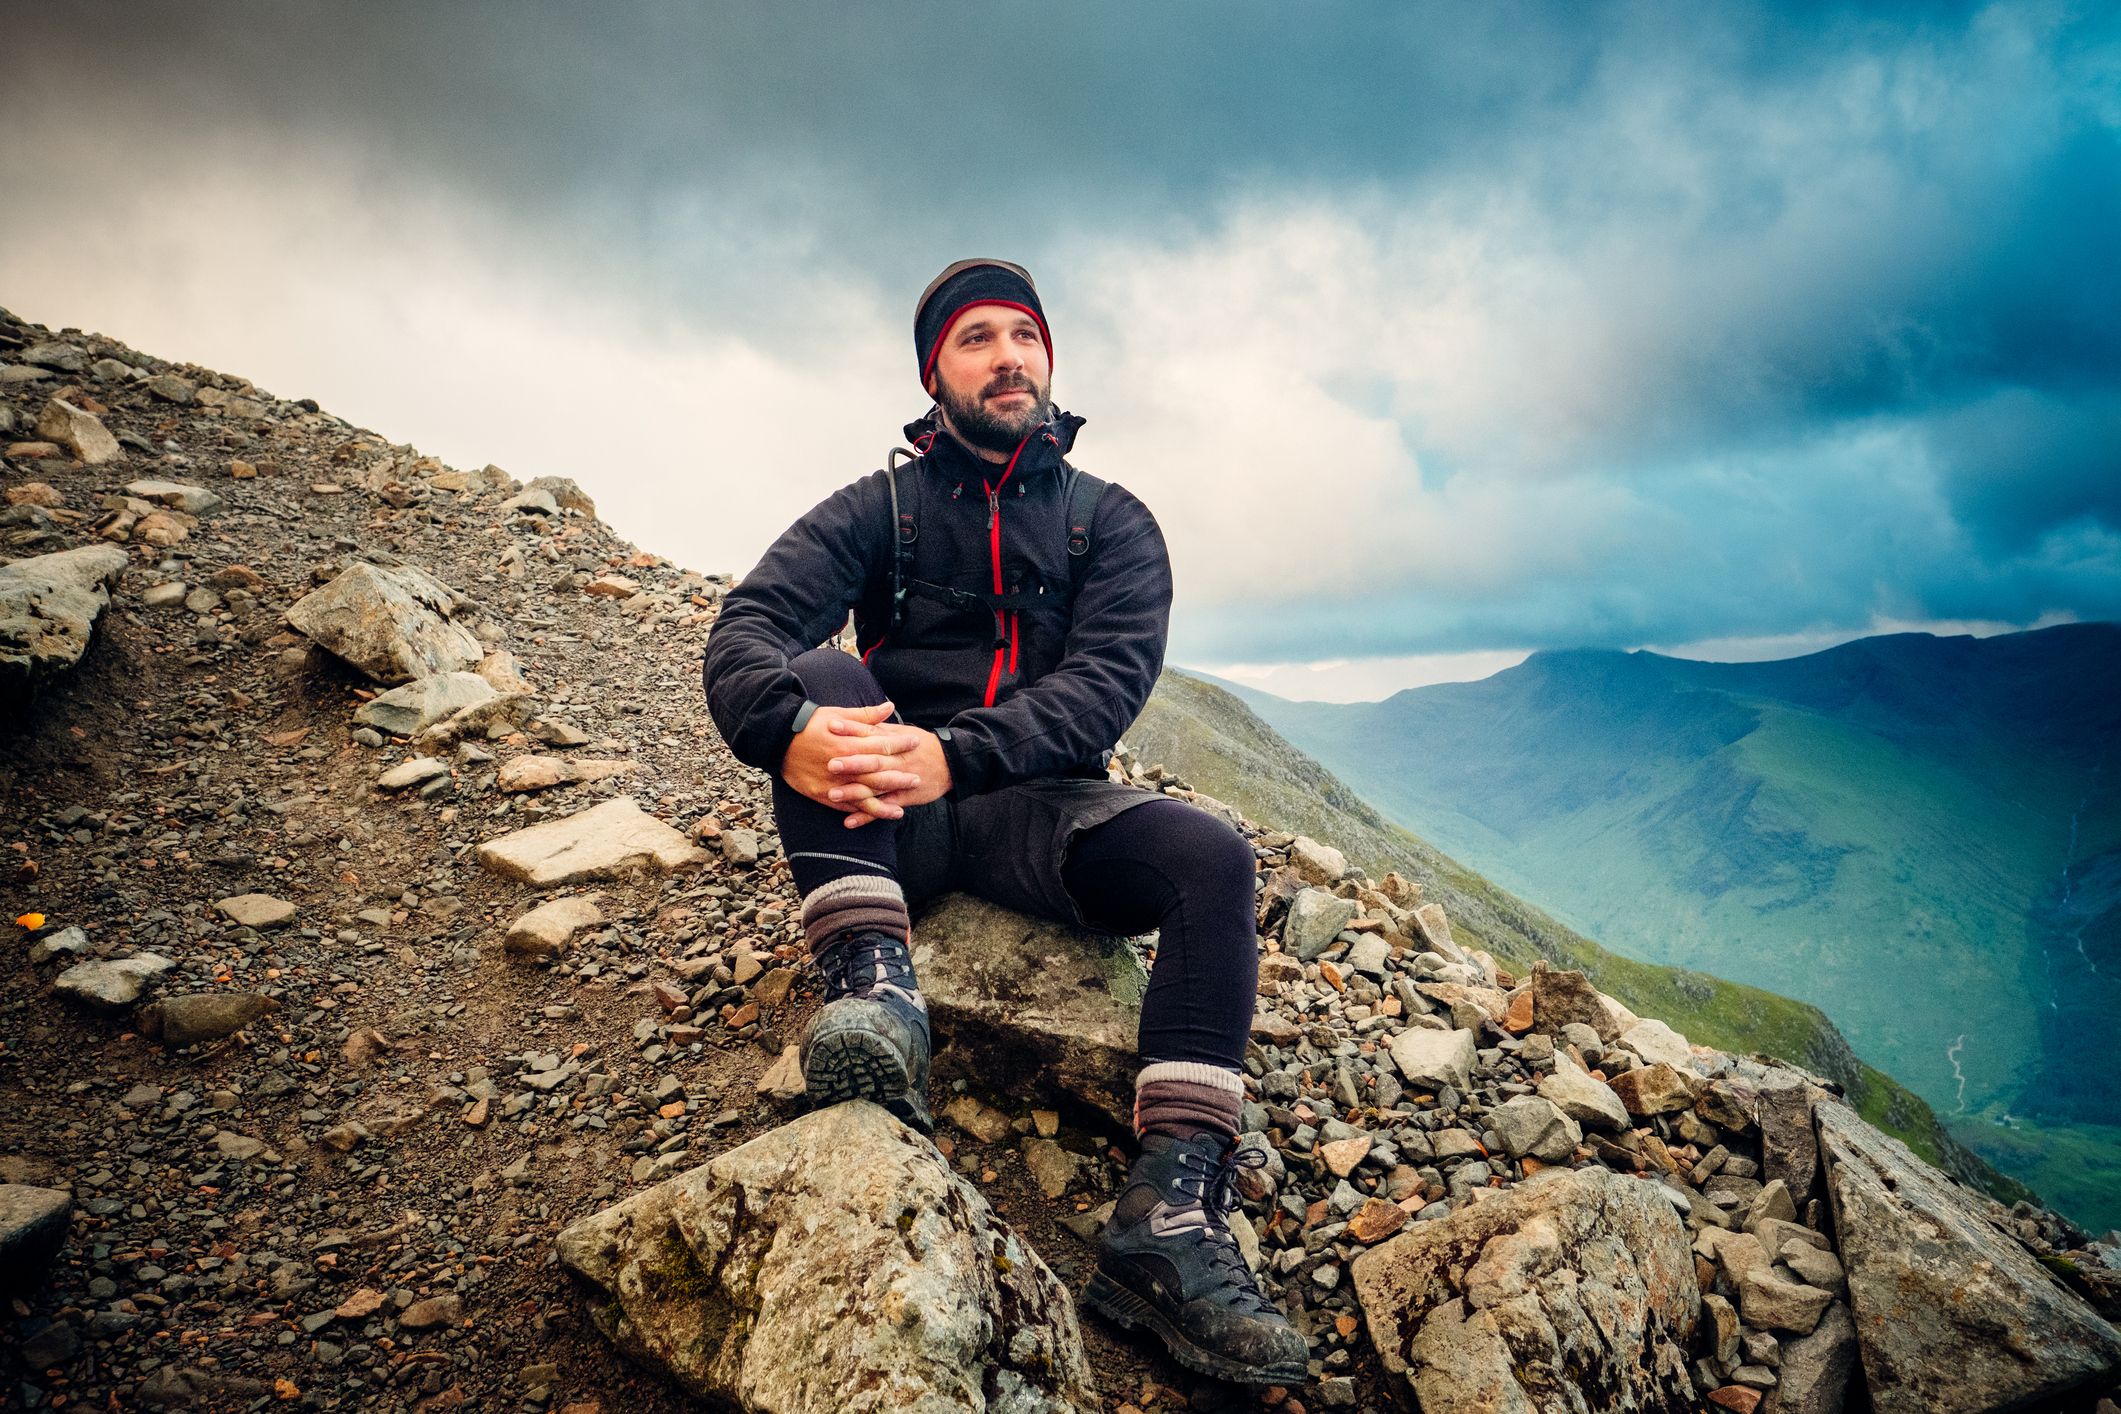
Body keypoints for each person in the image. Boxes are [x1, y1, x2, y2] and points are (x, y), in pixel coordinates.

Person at [700, 259, 1308, 1385]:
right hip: (888, 817)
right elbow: (746, 624)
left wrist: (958, 753)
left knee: (1212, 857)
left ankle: (1168, 1222)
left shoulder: (1110, 522)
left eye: (1023, 336)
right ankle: (877, 1002)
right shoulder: (875, 509)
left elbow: (1107, 684)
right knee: (821, 675)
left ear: (1050, 360)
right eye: (976, 338)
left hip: (1040, 809)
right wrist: (782, 728)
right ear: (936, 373)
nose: (1008, 356)